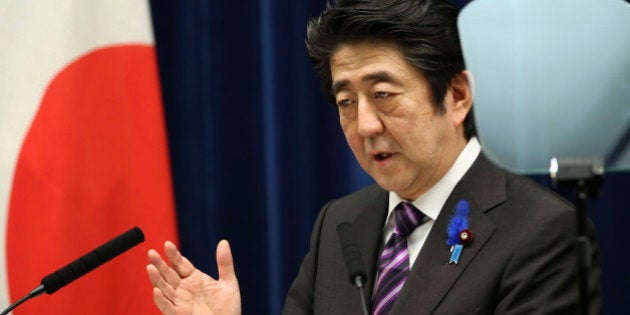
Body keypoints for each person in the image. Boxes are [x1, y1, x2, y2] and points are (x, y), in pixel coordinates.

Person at [146, 0, 602, 314]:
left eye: (383, 94)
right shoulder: (341, 222)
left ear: (457, 95)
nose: (365, 125)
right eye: (347, 102)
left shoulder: (543, 232)